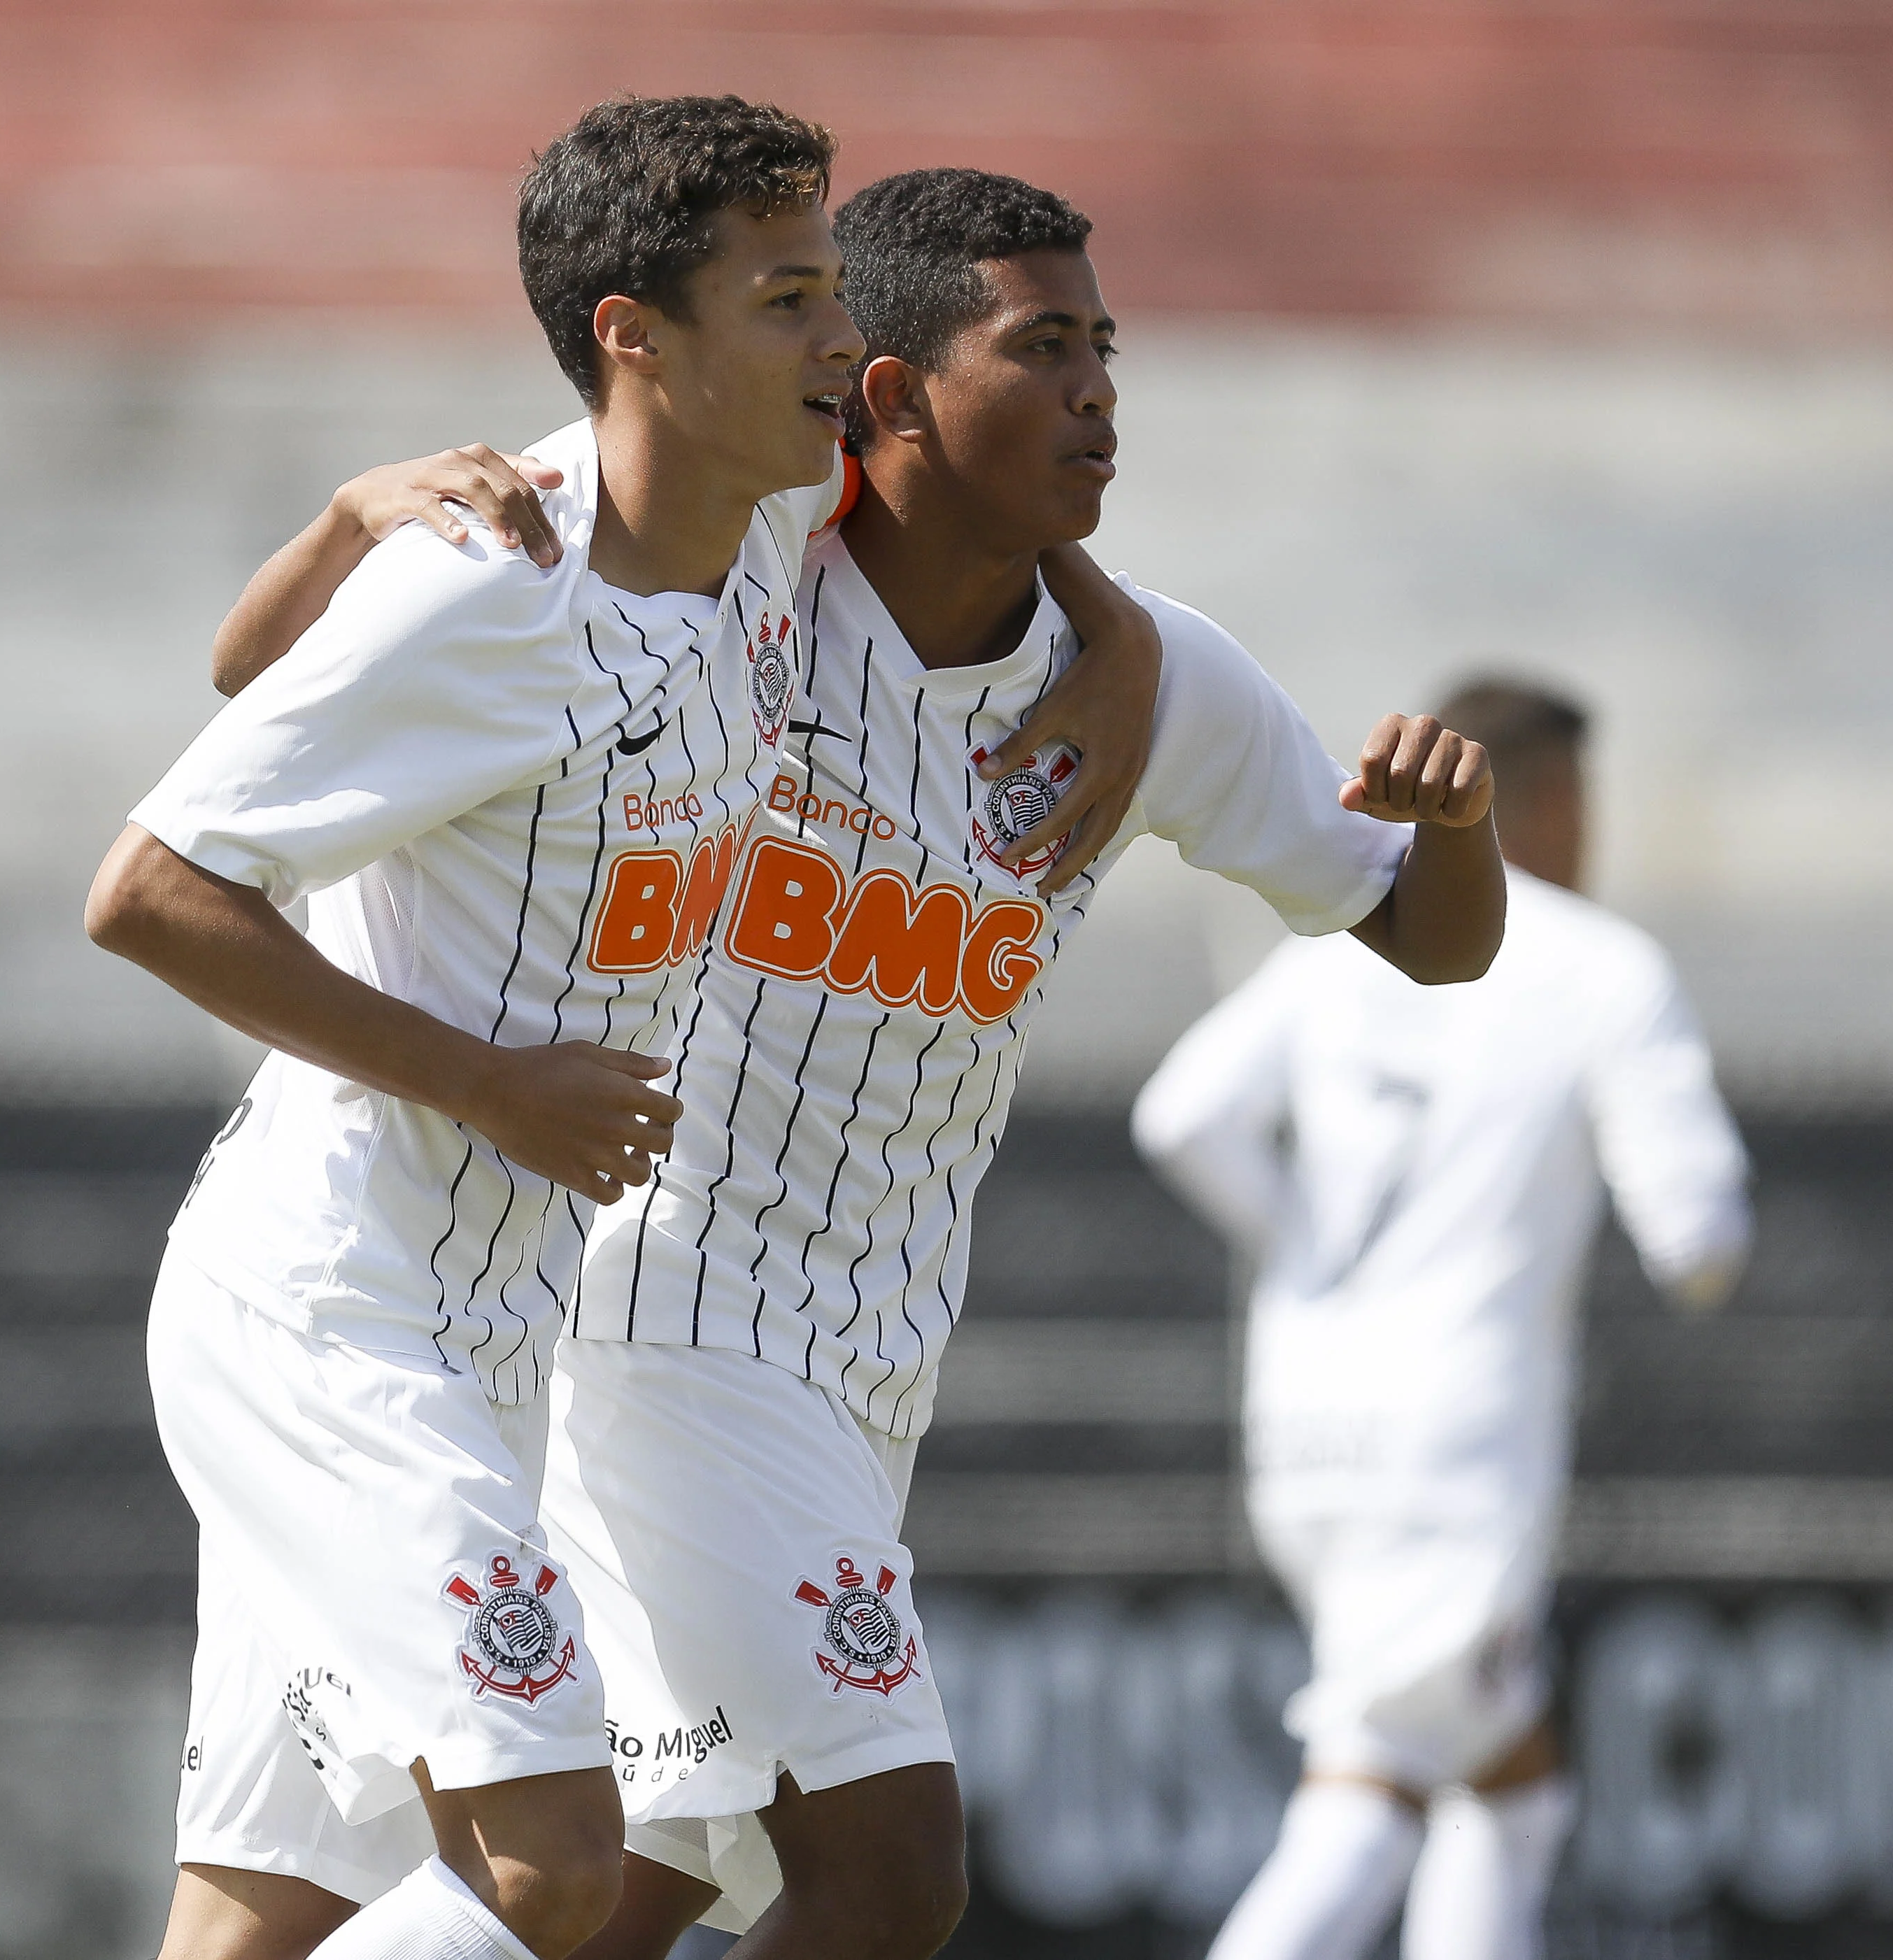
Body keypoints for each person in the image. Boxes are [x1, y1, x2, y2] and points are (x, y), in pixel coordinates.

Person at [208, 169, 1510, 1959]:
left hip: (861, 1361)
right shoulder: (729, 559)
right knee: (884, 1875)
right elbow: (288, 678)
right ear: (887, 396)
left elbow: (1430, 936)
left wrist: (1456, 829)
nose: (1100, 393)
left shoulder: (1156, 683)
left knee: (595, 1883)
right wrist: (362, 515)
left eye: (1104, 347)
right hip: (649, 1316)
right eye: (1042, 350)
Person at [87, 101, 1162, 1960]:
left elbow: (975, 504)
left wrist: (1122, 645)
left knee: (258, 1911)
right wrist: (489, 1085)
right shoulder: (502, 580)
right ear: (633, 339)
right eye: (790, 300)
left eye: (834, 293)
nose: (839, 344)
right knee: (571, 1869)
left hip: (498, 1330)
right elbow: (151, 888)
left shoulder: (748, 536)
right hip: (332, 1314)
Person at [1133, 680, 1753, 1960]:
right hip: (1461, 1460)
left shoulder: (1342, 945)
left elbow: (1180, 1117)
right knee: (1366, 1799)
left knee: (1513, 1780)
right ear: (1562, 799)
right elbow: (1695, 1240)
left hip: (1305, 1444)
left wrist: (1308, 1245)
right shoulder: (1603, 965)